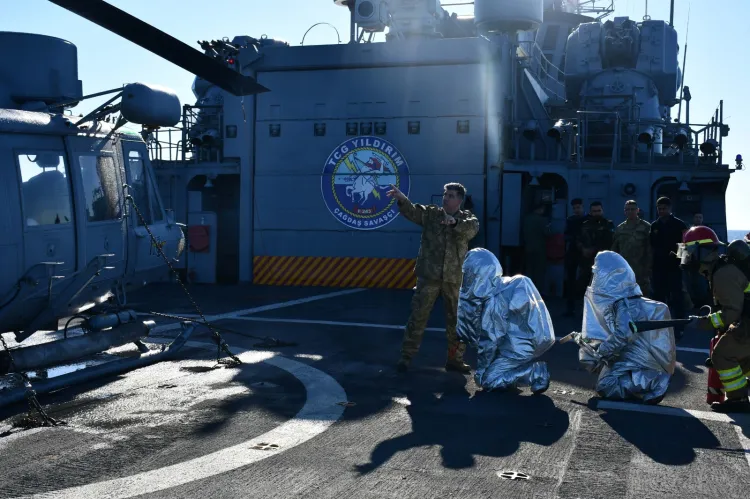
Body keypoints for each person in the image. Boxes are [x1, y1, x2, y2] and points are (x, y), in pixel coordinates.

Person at [387, 182, 480, 373]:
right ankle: (406, 357)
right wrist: (402, 199)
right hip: (429, 276)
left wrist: (454, 223)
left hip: (454, 279)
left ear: (460, 200)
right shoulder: (431, 214)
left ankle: (455, 359)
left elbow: (472, 229)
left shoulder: (468, 219)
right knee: (418, 316)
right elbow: (412, 211)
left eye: (451, 196)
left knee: (456, 322)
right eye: (445, 194)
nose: (446, 198)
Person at [566, 251, 676, 404]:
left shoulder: (624, 304)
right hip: (638, 356)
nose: (594, 279)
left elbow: (624, 334)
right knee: (595, 360)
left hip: (644, 360)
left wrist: (601, 351)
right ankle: (642, 384)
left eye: (597, 275)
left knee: (606, 386)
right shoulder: (625, 300)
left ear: (608, 277)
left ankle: (654, 382)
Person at [456, 248, 556, 393]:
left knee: (488, 381)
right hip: (532, 339)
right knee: (498, 366)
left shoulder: (494, 300)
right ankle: (512, 374)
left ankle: (536, 372)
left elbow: (490, 341)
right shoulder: (504, 285)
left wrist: (482, 370)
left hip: (521, 347)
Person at [680, 226, 750, 413]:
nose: (687, 256)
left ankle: (738, 399)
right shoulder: (719, 270)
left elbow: (732, 312)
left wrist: (702, 322)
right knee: (741, 356)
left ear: (702, 252)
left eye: (689, 251)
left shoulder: (722, 273)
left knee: (722, 355)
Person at [650, 196, 688, 336]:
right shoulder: (655, 226)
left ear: (670, 208)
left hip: (674, 267)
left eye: (664, 208)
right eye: (659, 209)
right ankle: (659, 325)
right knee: (659, 297)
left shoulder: (680, 225)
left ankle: (679, 327)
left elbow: (685, 245)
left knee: (677, 297)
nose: (661, 211)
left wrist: (682, 261)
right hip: (659, 267)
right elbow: (652, 246)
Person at [611, 200, 652, 294]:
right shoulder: (620, 228)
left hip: (641, 268)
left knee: (643, 294)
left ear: (637, 210)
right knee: (625, 294)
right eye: (627, 209)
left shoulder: (646, 227)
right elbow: (615, 249)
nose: (630, 211)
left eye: (632, 209)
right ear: (624, 211)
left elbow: (650, 249)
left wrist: (648, 267)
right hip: (624, 269)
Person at [578, 201, 615, 295]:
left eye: (599, 211)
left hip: (602, 261)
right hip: (586, 261)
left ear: (602, 211)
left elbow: (609, 242)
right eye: (594, 211)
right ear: (590, 212)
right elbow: (578, 239)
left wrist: (593, 249)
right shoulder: (585, 225)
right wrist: (583, 249)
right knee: (585, 286)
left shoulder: (608, 224)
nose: (597, 213)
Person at [563, 198, 589, 316]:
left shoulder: (588, 220)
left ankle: (585, 308)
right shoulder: (571, 220)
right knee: (571, 280)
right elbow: (566, 235)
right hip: (573, 252)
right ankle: (570, 308)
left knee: (586, 280)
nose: (576, 210)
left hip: (585, 252)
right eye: (574, 208)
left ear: (582, 207)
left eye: (578, 207)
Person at [522, 204, 550, 292]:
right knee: (539, 271)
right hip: (540, 249)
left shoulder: (526, 219)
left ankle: (528, 291)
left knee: (529, 270)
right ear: (540, 209)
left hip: (528, 248)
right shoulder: (543, 220)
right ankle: (538, 292)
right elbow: (548, 233)